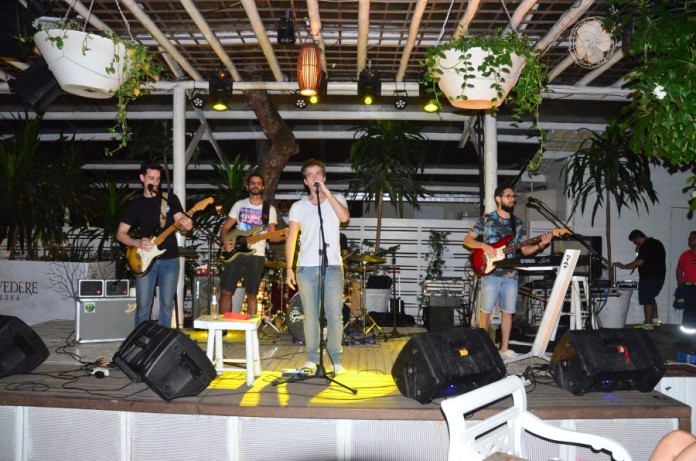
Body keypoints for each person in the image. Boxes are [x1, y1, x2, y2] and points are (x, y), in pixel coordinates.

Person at [463, 186, 551, 359]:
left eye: (513, 196)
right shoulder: (487, 219)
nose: (512, 199)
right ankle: (482, 348)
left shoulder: (517, 224)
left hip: (510, 274)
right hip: (490, 272)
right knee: (486, 312)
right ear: (498, 199)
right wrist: (483, 246)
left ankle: (504, 348)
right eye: (508, 196)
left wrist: (541, 245)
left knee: (508, 312)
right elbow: (467, 240)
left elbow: (525, 250)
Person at [285, 159, 350, 375]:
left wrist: (326, 193)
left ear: (324, 177)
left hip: (332, 266)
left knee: (335, 315)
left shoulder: (337, 199)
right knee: (311, 316)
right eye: (310, 175)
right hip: (306, 267)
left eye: (318, 174)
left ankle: (336, 359)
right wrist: (289, 267)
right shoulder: (298, 207)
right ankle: (312, 359)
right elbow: (291, 237)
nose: (315, 177)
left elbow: (344, 217)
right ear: (305, 181)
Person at [116, 161, 193, 328]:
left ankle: (161, 340)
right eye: (151, 178)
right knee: (143, 306)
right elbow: (120, 234)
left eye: (158, 179)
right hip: (144, 260)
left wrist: (186, 227)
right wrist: (136, 242)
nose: (155, 182)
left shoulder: (169, 199)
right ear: (142, 178)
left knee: (167, 305)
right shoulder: (135, 205)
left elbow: (181, 226)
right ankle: (140, 339)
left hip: (170, 259)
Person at [218, 172, 280, 316]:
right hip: (235, 253)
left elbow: (272, 237)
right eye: (252, 183)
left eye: (258, 183)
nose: (255, 185)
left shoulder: (269, 209)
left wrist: (287, 236)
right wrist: (226, 242)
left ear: (263, 187)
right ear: (248, 186)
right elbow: (225, 228)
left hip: (257, 255)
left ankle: (251, 328)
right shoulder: (239, 205)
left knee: (252, 294)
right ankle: (224, 326)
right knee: (226, 291)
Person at [615, 229, 666, 325]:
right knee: (650, 297)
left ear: (637, 238)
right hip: (659, 277)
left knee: (647, 301)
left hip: (648, 277)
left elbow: (639, 262)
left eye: (634, 242)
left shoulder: (645, 245)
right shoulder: (657, 243)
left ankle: (647, 324)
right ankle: (655, 320)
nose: (635, 244)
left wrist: (623, 266)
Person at [675, 231, 696, 332]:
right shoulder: (685, 255)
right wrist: (680, 285)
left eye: (693, 238)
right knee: (688, 312)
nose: (690, 240)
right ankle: (687, 337)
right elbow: (679, 270)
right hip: (689, 288)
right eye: (689, 238)